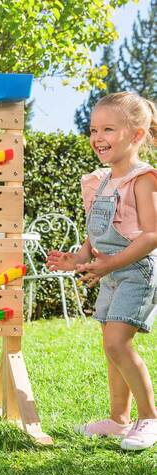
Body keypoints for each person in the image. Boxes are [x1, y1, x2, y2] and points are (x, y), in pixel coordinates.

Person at [47, 92, 157, 451]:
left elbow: (153, 234)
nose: (98, 137)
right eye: (94, 129)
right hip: (110, 271)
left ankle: (150, 418)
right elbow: (98, 234)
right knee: (110, 347)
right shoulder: (99, 181)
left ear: (136, 135)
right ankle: (118, 419)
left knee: (117, 341)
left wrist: (112, 262)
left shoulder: (143, 179)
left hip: (137, 271)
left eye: (108, 129)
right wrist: (78, 258)